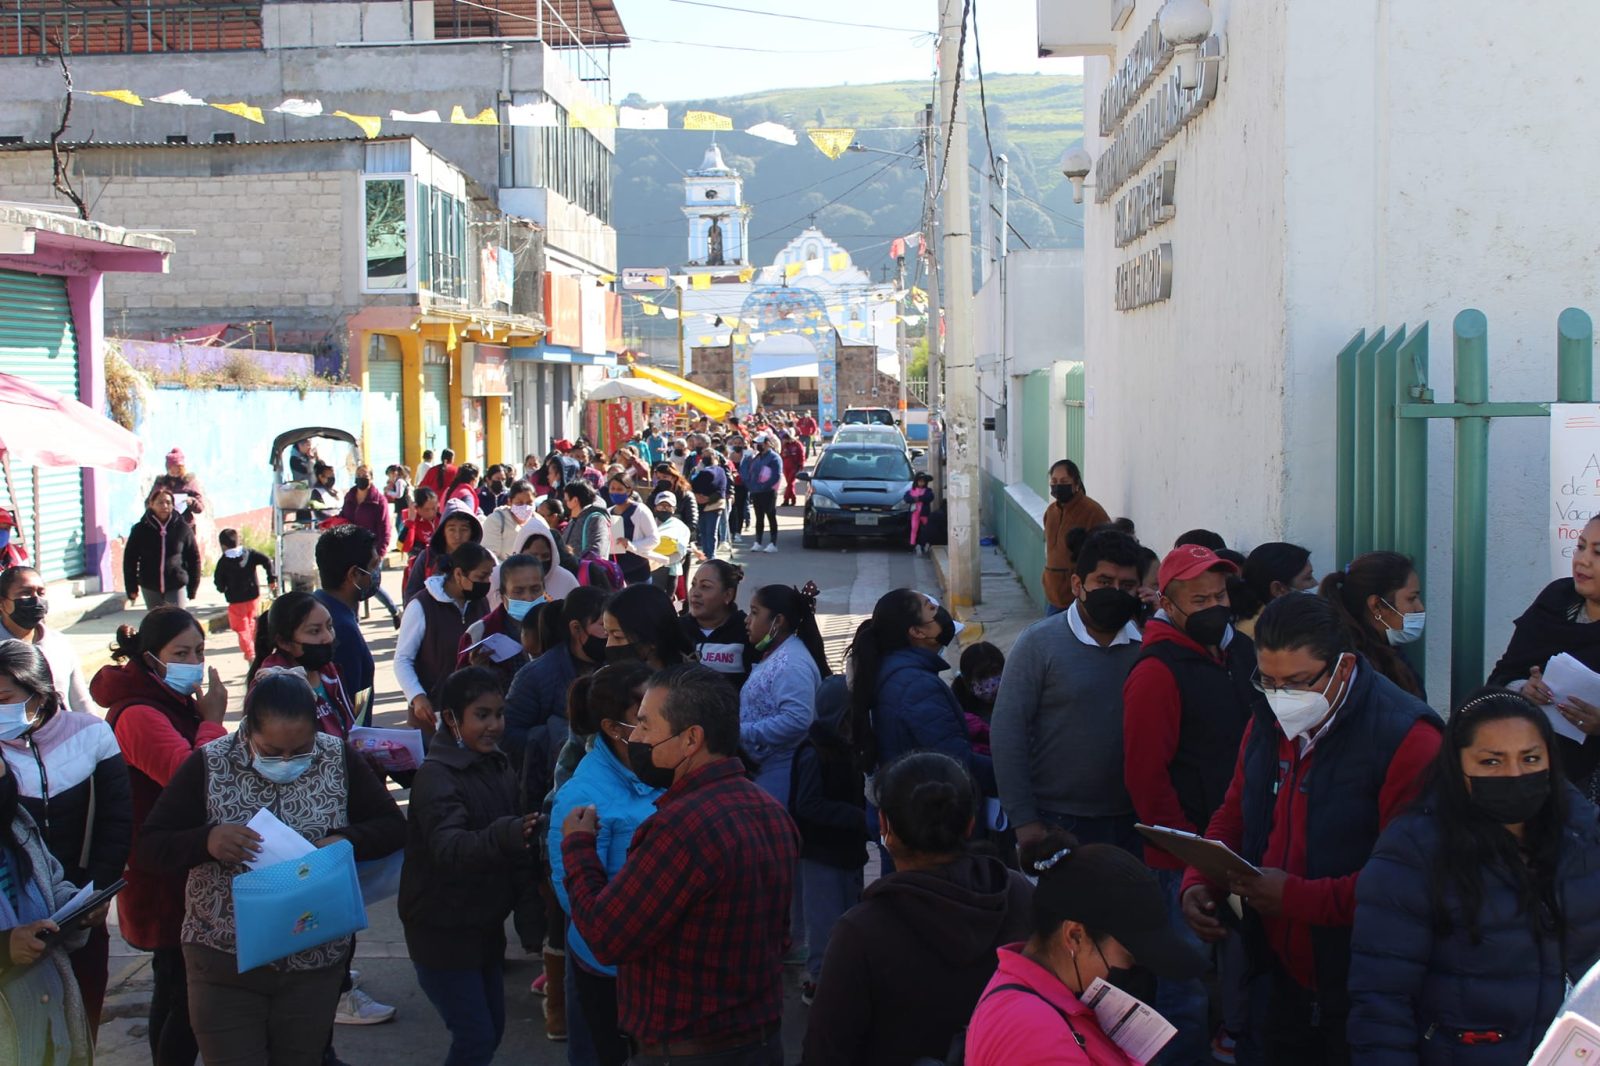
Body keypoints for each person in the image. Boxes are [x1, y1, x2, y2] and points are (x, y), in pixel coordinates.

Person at [1179, 593, 1442, 1064]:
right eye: (1269, 681)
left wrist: (1296, 899)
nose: (1281, 697)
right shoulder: (1266, 718)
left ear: (1342, 668)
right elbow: (1236, 810)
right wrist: (1201, 879)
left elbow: (1407, 884)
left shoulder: (1408, 739)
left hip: (1362, 987)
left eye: (1297, 683)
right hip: (1274, 975)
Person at [138, 671, 405, 1066]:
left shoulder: (337, 758)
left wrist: (346, 839)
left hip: (314, 958)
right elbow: (150, 846)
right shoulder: (209, 764)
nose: (285, 762)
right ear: (247, 730)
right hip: (223, 958)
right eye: (271, 750)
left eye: (299, 750)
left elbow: (392, 828)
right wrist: (206, 841)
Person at [559, 664, 799, 1066]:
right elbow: (778, 938)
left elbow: (606, 935)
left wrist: (579, 848)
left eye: (646, 726)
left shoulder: (681, 828)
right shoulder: (771, 812)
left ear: (691, 739)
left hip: (688, 1050)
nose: (634, 738)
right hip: (759, 1044)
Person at [1348, 688, 1600, 1065]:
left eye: (1530, 758)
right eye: (1491, 762)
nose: (1515, 774)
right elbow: (1382, 1001)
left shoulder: (1585, 838)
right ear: (1457, 765)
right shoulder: (1412, 853)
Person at [1121, 542, 1265, 1063]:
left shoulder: (1234, 656)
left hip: (1233, 849)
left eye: (1220, 596)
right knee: (1184, 987)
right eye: (1200, 600)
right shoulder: (1157, 672)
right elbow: (1145, 777)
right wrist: (1190, 851)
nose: (1214, 608)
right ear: (1169, 604)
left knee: (1235, 979)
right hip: (1178, 861)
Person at [802, 751, 1031, 1065]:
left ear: (885, 827)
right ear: (970, 824)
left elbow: (825, 1050)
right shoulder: (1016, 893)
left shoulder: (860, 932)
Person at [92, 607, 228, 1066]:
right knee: (182, 992)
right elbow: (192, 776)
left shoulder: (171, 701)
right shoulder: (139, 713)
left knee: (177, 988)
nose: (193, 661)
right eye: (181, 653)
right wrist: (212, 720)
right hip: (162, 871)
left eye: (199, 651)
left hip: (181, 860)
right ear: (151, 659)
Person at [964, 828, 1210, 1066]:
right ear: (1075, 936)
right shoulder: (1035, 1034)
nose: (1132, 968)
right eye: (1130, 956)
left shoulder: (1048, 996)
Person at [400, 667, 541, 1066]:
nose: (494, 725)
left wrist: (530, 919)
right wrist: (505, 834)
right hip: (440, 930)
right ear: (451, 719)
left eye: (499, 714)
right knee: (476, 1038)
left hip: (482, 925)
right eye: (482, 715)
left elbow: (516, 847)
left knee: (490, 1031)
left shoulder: (497, 763)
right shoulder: (435, 777)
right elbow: (450, 848)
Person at [0, 639, 131, 1034]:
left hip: (82, 911)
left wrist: (95, 896)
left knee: (80, 1020)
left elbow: (117, 821)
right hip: (14, 914)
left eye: (4, 697)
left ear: (38, 695)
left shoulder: (91, 734)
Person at [994, 528, 1146, 854]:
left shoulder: (1149, 647)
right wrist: (1024, 821)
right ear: (1078, 585)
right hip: (1057, 821)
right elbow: (1008, 733)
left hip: (1133, 823)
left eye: (1127, 586)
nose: (1115, 592)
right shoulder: (1038, 643)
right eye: (1104, 582)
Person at [548, 663, 660, 1066]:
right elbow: (572, 893)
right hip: (610, 964)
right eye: (645, 716)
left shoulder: (663, 767)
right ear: (615, 729)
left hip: (656, 959)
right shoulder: (583, 796)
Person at [0, 738, 103, 1066]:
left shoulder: (16, 825)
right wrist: (5, 947)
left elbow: (50, 884)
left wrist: (78, 907)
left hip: (50, 1028)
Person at [1488, 512, 1600, 788]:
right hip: (1528, 771)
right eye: (1581, 546)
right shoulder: (1556, 599)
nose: (1583, 560)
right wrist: (1523, 689)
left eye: (1598, 553)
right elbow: (1501, 676)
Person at [847, 589, 995, 792]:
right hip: (931, 812)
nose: (940, 611)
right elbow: (957, 765)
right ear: (917, 632)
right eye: (931, 608)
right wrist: (1020, 775)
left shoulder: (896, 671)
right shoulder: (917, 687)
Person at [788, 674, 865, 1006]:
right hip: (822, 852)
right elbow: (807, 804)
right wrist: (857, 817)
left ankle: (843, 977)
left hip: (847, 850)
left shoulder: (845, 746)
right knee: (824, 920)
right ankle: (820, 981)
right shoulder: (813, 751)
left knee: (849, 916)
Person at [502, 587, 609, 776]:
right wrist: (556, 734)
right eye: (603, 625)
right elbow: (508, 735)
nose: (609, 634)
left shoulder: (615, 665)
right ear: (576, 628)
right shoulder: (535, 676)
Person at [741, 582, 830, 803]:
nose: (747, 620)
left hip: (782, 772)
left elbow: (798, 720)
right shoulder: (778, 653)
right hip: (766, 767)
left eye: (754, 613)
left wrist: (742, 731)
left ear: (777, 621)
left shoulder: (792, 663)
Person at [396, 543, 494, 735]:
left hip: (472, 710)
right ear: (459, 574)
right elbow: (402, 659)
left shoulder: (480, 603)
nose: (487, 582)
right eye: (481, 577)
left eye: (489, 575)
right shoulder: (421, 605)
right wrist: (417, 696)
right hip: (432, 713)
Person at [248, 592, 359, 740]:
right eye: (315, 631)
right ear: (284, 642)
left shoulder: (329, 671)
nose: (328, 637)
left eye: (329, 626)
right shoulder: (272, 687)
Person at [1320, 550, 1426, 698]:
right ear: (1377, 606)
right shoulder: (1355, 669)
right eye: (1411, 599)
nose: (1420, 608)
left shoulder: (1388, 652)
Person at [0, 564, 93, 714]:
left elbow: (80, 701)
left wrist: (96, 731)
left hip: (61, 733)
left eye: (40, 592)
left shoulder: (59, 643)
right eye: (25, 593)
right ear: (2, 602)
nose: (36, 599)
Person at [314, 525, 382, 724]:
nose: (376, 573)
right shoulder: (340, 629)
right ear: (354, 574)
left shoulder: (318, 608)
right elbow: (353, 702)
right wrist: (363, 735)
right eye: (374, 565)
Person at [457, 553, 543, 684]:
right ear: (503, 596)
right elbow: (460, 689)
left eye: (535, 589)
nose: (528, 597)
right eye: (519, 591)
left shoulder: (559, 626)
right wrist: (477, 672)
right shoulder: (480, 633)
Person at [1042, 459, 1112, 616]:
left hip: (1078, 597)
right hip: (1053, 594)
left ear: (1076, 483)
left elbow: (1105, 551)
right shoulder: (1051, 512)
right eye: (1054, 481)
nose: (1058, 486)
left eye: (1064, 481)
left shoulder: (1092, 511)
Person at [124, 485, 201, 610]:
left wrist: (193, 587)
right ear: (151, 504)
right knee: (157, 623)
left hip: (176, 584)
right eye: (160, 502)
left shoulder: (183, 529)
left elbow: (194, 559)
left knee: (177, 622)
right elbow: (130, 560)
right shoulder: (140, 529)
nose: (165, 506)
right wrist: (131, 587)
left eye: (168, 503)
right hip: (150, 586)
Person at [682, 560, 753, 688]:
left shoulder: (747, 631)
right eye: (693, 584)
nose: (695, 593)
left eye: (705, 586)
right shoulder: (677, 629)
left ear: (728, 595)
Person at [213, 528, 278, 660]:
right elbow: (266, 560)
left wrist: (221, 588)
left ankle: (250, 652)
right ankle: (255, 647)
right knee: (252, 623)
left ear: (223, 546)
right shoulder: (250, 554)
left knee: (241, 627)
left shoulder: (224, 561)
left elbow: (218, 579)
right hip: (253, 596)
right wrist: (271, 578)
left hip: (235, 600)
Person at [601, 584, 694, 672]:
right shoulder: (606, 680)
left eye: (618, 636)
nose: (609, 645)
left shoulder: (689, 683)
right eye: (607, 635)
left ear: (652, 637)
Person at [403, 502, 483, 604]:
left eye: (464, 529)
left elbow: (502, 595)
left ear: (473, 531)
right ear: (443, 532)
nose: (457, 536)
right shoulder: (427, 558)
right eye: (451, 529)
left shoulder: (483, 559)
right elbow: (411, 595)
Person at [1234, 541, 1315, 638]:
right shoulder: (1260, 633)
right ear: (1278, 589)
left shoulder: (1281, 620)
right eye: (1308, 578)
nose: (1315, 584)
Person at [607, 473, 661, 587]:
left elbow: (654, 539)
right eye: (612, 489)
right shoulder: (608, 512)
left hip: (638, 570)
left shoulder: (640, 511)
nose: (615, 492)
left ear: (629, 490)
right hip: (615, 571)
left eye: (620, 489)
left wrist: (631, 545)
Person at [481, 479, 544, 561]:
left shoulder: (539, 522)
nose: (525, 507)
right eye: (520, 503)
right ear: (510, 502)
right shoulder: (496, 521)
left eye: (529, 503)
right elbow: (489, 557)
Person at [516, 524, 580, 602]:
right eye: (533, 555)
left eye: (545, 556)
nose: (539, 561)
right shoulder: (502, 576)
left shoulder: (567, 580)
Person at [650, 492, 694, 601]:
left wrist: (665, 560)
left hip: (671, 571)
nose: (664, 509)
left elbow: (681, 551)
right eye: (661, 506)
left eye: (668, 506)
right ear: (655, 507)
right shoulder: (649, 524)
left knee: (667, 600)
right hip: (650, 568)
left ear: (674, 509)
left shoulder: (680, 527)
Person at [745, 433, 783, 552]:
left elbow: (776, 476)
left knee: (770, 515)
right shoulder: (757, 457)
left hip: (768, 491)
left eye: (760, 444)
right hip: (757, 491)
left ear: (767, 443)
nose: (758, 446)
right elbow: (752, 473)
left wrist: (764, 486)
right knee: (759, 516)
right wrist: (752, 486)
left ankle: (773, 543)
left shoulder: (774, 457)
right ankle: (758, 542)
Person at [562, 480, 614, 562]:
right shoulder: (574, 520)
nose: (564, 504)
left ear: (575, 500)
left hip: (585, 573)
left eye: (566, 500)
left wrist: (574, 563)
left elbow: (597, 553)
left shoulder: (596, 519)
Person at [690, 451, 728, 560]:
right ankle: (706, 555)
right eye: (704, 456)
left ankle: (711, 556)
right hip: (700, 505)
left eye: (708, 455)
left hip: (714, 505)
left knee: (711, 532)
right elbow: (691, 484)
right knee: (704, 532)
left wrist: (709, 498)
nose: (705, 458)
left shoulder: (719, 471)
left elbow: (722, 489)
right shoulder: (698, 471)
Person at [905, 473, 934, 555]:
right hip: (914, 513)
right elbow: (906, 498)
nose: (921, 483)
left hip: (924, 513)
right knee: (914, 529)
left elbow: (930, 497)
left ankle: (924, 544)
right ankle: (912, 545)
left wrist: (918, 498)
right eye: (920, 481)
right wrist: (915, 499)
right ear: (916, 482)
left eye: (923, 482)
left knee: (926, 529)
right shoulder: (911, 491)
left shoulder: (928, 491)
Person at [384, 463, 412, 537]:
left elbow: (399, 495)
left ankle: (403, 542)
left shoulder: (399, 481)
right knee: (398, 525)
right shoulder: (398, 481)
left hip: (404, 507)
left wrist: (388, 492)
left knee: (400, 526)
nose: (389, 478)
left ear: (394, 473)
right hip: (401, 507)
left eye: (389, 475)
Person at [779, 431, 805, 507]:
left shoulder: (797, 444)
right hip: (786, 466)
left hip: (794, 466)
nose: (783, 441)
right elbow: (781, 455)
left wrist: (801, 465)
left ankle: (786, 499)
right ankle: (793, 499)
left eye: (784, 439)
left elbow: (801, 454)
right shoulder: (785, 446)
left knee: (790, 483)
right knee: (789, 484)